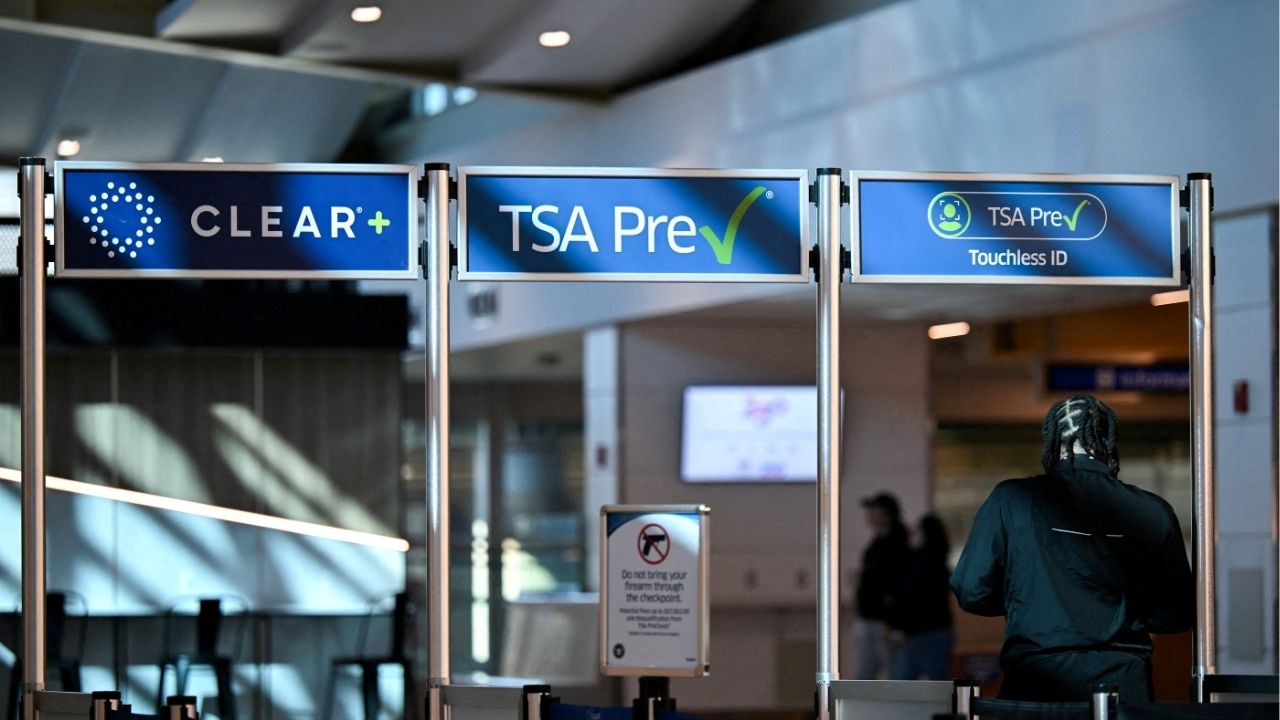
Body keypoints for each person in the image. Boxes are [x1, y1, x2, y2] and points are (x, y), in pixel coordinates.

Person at [950, 394, 1193, 701]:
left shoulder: (1012, 500)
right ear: (1107, 440)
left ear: (1052, 440)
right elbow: (1176, 614)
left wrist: (1028, 601)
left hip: (1037, 681)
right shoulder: (1153, 511)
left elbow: (972, 591)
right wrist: (1122, 613)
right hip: (1123, 682)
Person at [890, 513, 954, 680]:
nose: (911, 534)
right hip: (933, 631)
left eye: (916, 531)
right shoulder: (936, 563)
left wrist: (905, 628)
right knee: (934, 683)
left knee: (909, 683)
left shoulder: (924, 565)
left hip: (924, 633)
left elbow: (919, 601)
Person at [853, 492, 910, 679]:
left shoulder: (897, 544)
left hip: (884, 619)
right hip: (869, 615)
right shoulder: (877, 542)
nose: (869, 515)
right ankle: (861, 707)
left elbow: (898, 585)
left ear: (887, 514)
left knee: (892, 670)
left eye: (874, 511)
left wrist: (894, 620)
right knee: (866, 669)